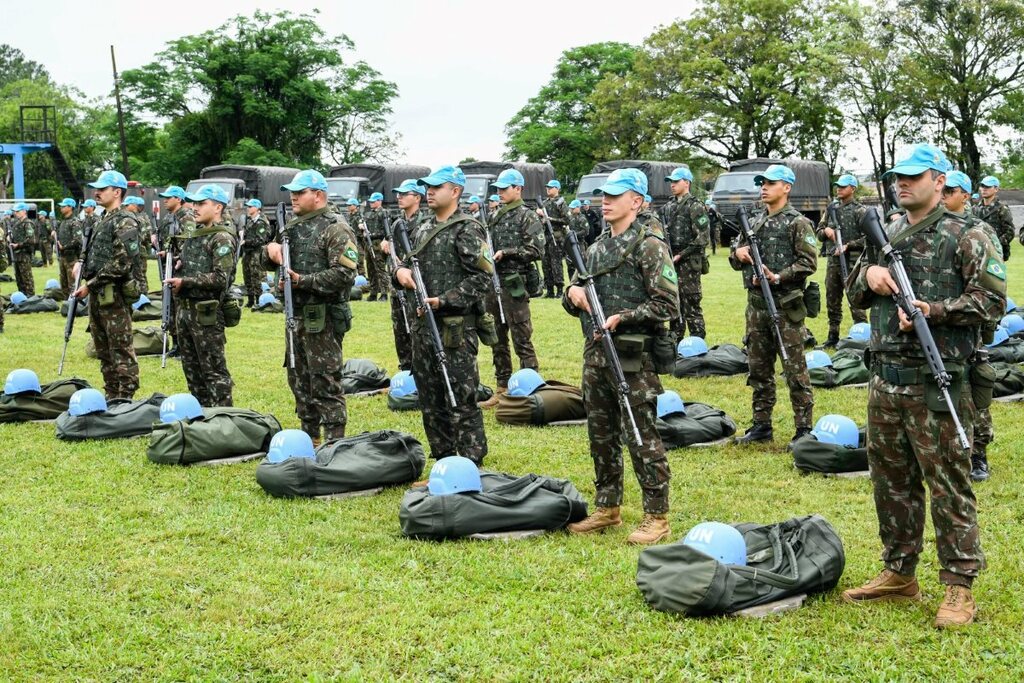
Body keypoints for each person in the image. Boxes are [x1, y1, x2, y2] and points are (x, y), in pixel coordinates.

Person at [842, 143, 1004, 629]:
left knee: (949, 483)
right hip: (885, 380)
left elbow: (991, 305)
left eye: (914, 176)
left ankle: (958, 584)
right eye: (898, 176)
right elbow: (854, 293)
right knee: (891, 483)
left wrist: (932, 311)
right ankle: (899, 572)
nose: (902, 183)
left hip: (938, 382)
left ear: (939, 180)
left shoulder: (969, 234)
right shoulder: (886, 230)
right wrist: (868, 274)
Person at [562, 168, 678, 545]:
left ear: (637, 201)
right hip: (596, 354)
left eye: (615, 195)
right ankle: (607, 506)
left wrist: (622, 318)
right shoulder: (595, 249)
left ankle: (657, 516)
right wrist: (572, 295)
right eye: (604, 195)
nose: (605, 201)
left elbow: (666, 304)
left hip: (633, 354)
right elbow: (576, 294)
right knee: (601, 433)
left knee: (640, 433)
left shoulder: (649, 245)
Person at [393, 165, 491, 466]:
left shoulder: (468, 228)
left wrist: (444, 300)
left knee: (461, 395)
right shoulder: (420, 227)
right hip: (423, 326)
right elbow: (400, 264)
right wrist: (400, 273)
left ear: (456, 191)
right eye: (428, 187)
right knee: (430, 397)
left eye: (437, 187)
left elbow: (484, 278)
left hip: (455, 328)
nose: (430, 191)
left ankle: (471, 461)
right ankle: (444, 460)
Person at [262, 170, 357, 444]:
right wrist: (270, 252)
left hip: (323, 318)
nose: (293, 196)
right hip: (296, 316)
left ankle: (334, 441)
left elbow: (345, 274)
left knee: (325, 380)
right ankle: (310, 436)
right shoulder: (291, 226)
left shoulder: (335, 227)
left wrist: (302, 281)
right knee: (299, 379)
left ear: (318, 195)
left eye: (300, 192)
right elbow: (267, 260)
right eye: (292, 191)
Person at [729, 164, 817, 445]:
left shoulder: (798, 223)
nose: (764, 187)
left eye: (770, 183)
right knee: (759, 368)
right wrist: (738, 253)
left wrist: (777, 276)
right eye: (762, 183)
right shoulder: (754, 222)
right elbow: (735, 257)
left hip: (784, 305)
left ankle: (804, 429)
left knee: (794, 369)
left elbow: (808, 263)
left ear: (786, 188)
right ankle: (761, 425)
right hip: (756, 307)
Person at [943, 170, 999, 483]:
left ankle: (978, 455)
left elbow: (992, 282)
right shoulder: (932, 227)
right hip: (938, 324)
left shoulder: (980, 230)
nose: (944, 196)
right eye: (943, 190)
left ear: (965, 196)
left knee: (974, 386)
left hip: (969, 322)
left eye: (951, 191)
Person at [164, 184, 237, 406]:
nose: (195, 208)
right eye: (194, 203)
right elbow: (195, 265)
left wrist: (185, 281)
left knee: (213, 371)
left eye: (201, 203)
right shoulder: (195, 234)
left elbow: (220, 278)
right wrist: (180, 265)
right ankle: (203, 418)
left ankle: (225, 417)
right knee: (192, 370)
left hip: (206, 315)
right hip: (185, 313)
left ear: (217, 207)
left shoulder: (221, 238)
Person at [480, 168, 544, 406]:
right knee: (496, 337)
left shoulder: (527, 216)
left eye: (504, 188)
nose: (500, 193)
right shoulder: (495, 216)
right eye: (498, 189)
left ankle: (532, 386)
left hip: (514, 283)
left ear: (518, 189)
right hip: (493, 283)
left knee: (522, 337)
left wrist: (506, 253)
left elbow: (537, 250)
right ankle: (502, 387)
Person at [74, 171, 140, 399]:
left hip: (115, 295)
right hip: (98, 293)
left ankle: (125, 397)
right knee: (103, 348)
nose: (97, 192)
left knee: (120, 347)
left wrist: (90, 285)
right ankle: (112, 394)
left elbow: (123, 263)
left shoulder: (126, 220)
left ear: (117, 192)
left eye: (102, 189)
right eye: (97, 188)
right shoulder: (102, 219)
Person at [817, 174, 868, 347]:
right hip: (834, 262)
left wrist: (848, 245)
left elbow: (869, 238)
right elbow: (819, 232)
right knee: (832, 299)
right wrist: (826, 232)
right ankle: (833, 336)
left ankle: (862, 337)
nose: (839, 188)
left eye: (843, 186)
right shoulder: (831, 209)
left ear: (852, 189)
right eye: (838, 186)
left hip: (853, 263)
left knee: (856, 301)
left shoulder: (860, 211)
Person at [382, 179, 426, 372]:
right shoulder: (398, 223)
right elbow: (392, 251)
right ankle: (406, 370)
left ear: (417, 197)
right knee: (400, 329)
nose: (399, 197)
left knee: (419, 331)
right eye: (398, 194)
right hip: (397, 284)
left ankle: (422, 371)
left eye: (404, 194)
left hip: (416, 285)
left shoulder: (424, 222)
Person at [665, 166, 710, 340]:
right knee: (674, 302)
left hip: (688, 263)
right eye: (671, 182)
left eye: (676, 181)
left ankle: (697, 342)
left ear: (687, 182)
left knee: (691, 303)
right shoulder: (669, 206)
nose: (672, 185)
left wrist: (680, 255)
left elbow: (702, 238)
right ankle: (675, 342)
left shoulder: (695, 206)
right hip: (672, 261)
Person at [539, 179, 570, 298]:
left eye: (551, 187)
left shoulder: (560, 203)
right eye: (547, 187)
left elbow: (567, 220)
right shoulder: (545, 203)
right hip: (545, 236)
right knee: (545, 263)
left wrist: (549, 219)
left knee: (555, 263)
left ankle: (560, 290)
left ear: (557, 189)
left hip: (556, 236)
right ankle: (549, 289)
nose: (548, 189)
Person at [974, 175, 1014, 261]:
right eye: (982, 186)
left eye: (988, 186)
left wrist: (995, 244)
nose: (984, 189)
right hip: (977, 252)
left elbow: (1010, 232)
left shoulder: (1002, 208)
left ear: (996, 189)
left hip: (996, 253)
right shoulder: (975, 209)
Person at [241, 198, 272, 308]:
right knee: (247, 276)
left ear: (257, 208)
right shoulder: (250, 221)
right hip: (248, 253)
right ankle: (250, 300)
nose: (248, 209)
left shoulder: (261, 223)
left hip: (256, 253)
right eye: (248, 206)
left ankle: (259, 301)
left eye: (250, 207)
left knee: (256, 277)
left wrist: (246, 241)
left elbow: (261, 240)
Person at [55, 198, 85, 298]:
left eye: (63, 206)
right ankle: (66, 304)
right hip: (63, 257)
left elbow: (78, 240)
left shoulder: (75, 222)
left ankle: (74, 305)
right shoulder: (63, 222)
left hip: (72, 258)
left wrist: (64, 247)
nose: (61, 208)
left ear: (70, 207)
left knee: (73, 284)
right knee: (63, 283)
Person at [120, 196, 150, 294]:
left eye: (127, 205)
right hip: (134, 250)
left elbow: (144, 236)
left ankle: (143, 295)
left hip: (138, 251)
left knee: (140, 275)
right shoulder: (130, 217)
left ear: (133, 206)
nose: (125, 208)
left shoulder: (137, 219)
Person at [363, 192, 389, 301]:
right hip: (369, 244)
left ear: (380, 201)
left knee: (380, 269)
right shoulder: (369, 214)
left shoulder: (384, 213)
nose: (371, 204)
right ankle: (373, 293)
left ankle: (384, 293)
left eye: (373, 202)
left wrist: (372, 235)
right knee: (370, 269)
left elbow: (386, 230)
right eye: (371, 202)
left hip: (378, 243)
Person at [8, 203, 37, 296]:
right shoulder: (17, 224)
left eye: (18, 211)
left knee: (26, 278)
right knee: (19, 279)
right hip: (16, 255)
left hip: (24, 255)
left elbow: (31, 240)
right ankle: (22, 297)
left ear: (24, 211)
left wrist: (18, 245)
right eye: (15, 211)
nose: (16, 213)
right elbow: (16, 237)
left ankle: (31, 298)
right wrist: (10, 238)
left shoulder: (27, 223)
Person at [566, 199, 590, 280]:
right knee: (570, 264)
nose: (571, 210)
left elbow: (586, 231)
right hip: (571, 243)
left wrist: (574, 235)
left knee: (581, 264)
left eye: (573, 208)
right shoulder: (570, 217)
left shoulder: (582, 218)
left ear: (578, 208)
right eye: (571, 208)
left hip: (580, 244)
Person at [345, 197, 368, 280]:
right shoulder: (348, 216)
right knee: (350, 259)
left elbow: (364, 229)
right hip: (350, 241)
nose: (348, 207)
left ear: (355, 206)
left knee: (360, 260)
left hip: (359, 241)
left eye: (349, 205)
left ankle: (363, 278)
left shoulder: (360, 216)